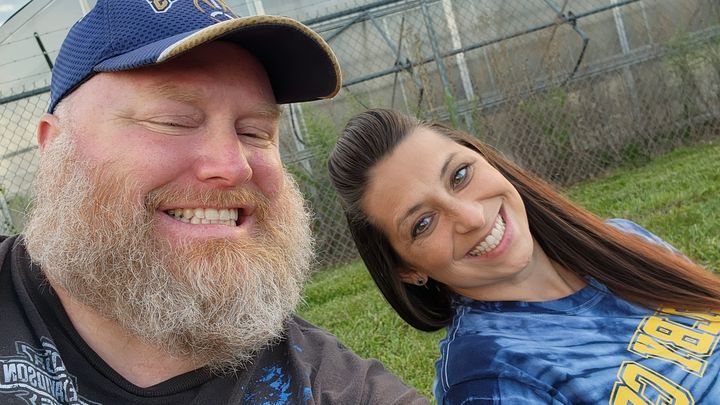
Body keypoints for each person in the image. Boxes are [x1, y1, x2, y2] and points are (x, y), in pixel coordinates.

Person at [0, 2, 429, 404]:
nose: (233, 166)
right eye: (173, 121)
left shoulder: (338, 388)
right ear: (54, 147)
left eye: (255, 131)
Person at [327, 108, 720, 404]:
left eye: (460, 176)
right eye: (424, 223)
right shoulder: (488, 379)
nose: (472, 217)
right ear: (407, 270)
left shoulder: (622, 239)